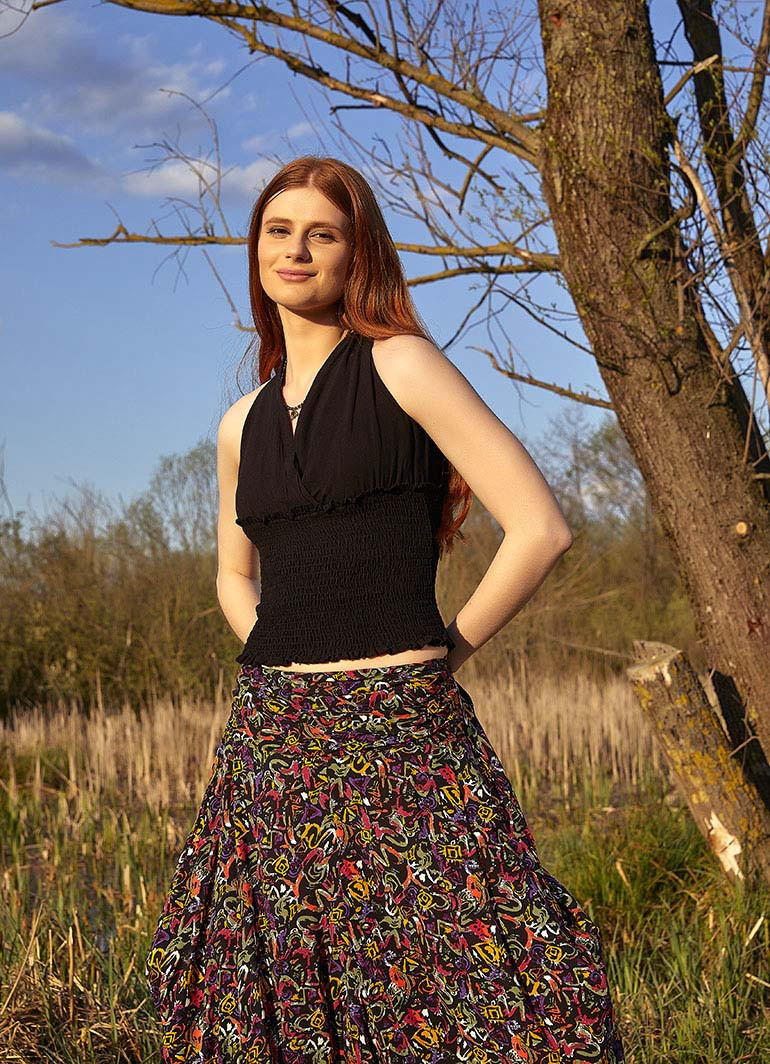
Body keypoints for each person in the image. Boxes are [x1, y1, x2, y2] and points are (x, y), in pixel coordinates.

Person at [145, 155, 626, 1063]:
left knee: (474, 984)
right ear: (255, 250)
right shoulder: (238, 425)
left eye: (321, 233)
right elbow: (232, 578)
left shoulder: (403, 365)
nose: (296, 250)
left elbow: (540, 528)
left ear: (355, 252)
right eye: (278, 230)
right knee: (282, 996)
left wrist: (443, 653)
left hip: (405, 727)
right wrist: (287, 658)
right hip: (274, 742)